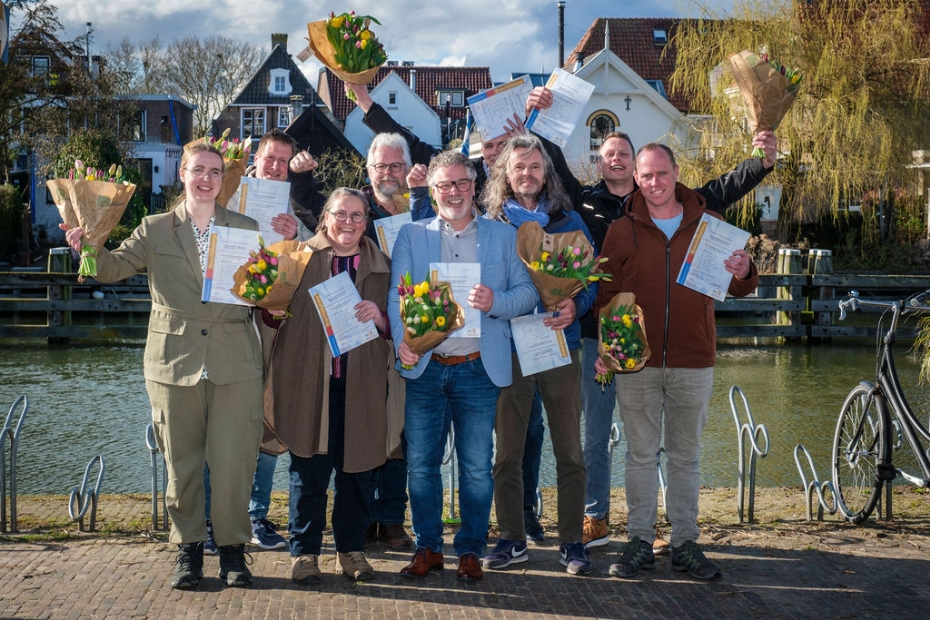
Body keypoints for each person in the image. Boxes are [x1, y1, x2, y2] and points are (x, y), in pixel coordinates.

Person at [524, 86, 779, 549]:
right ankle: (598, 518)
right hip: (599, 340)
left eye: (625, 154)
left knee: (671, 450)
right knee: (598, 436)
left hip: (677, 350)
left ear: (665, 172)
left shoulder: (692, 210)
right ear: (600, 163)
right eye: (610, 155)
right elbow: (552, 161)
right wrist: (537, 119)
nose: (618, 161)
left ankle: (674, 534)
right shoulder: (586, 204)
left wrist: (760, 162)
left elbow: (727, 187)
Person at [60, 143, 264, 589]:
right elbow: (111, 269)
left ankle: (233, 553)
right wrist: (88, 248)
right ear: (183, 175)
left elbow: (263, 290)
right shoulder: (154, 229)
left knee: (233, 464)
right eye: (197, 170)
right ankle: (188, 551)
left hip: (235, 361)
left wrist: (272, 287)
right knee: (182, 464)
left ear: (222, 177)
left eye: (214, 171)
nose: (206, 179)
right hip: (173, 362)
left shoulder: (247, 229)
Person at [593, 143, 759, 581]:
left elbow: (739, 286)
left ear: (676, 172)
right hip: (636, 363)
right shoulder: (621, 230)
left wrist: (744, 270)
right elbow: (606, 297)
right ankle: (640, 541)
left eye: (661, 174)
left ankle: (686, 541)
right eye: (645, 177)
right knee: (640, 455)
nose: (654, 184)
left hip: (693, 357)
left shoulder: (711, 225)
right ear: (637, 179)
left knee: (687, 457)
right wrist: (608, 349)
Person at [389, 150, 538, 582]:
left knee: (476, 468)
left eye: (461, 183)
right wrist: (403, 344)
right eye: (444, 185)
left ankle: (470, 548)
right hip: (426, 367)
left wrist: (496, 303)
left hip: (478, 367)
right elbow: (396, 298)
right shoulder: (410, 236)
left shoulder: (501, 236)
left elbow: (527, 294)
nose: (454, 192)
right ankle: (428, 547)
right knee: (421, 467)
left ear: (474, 187)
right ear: (431, 191)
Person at [203, 128, 325, 555]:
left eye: (282, 161)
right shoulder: (228, 192)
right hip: (228, 320)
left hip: (276, 325)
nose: (275, 167)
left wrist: (298, 236)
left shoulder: (297, 203)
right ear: (257, 156)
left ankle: (255, 515)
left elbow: (319, 253)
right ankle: (213, 516)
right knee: (225, 420)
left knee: (270, 416)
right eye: (270, 158)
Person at [479, 133, 596, 575]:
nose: (526, 174)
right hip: (508, 346)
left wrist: (576, 305)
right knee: (506, 452)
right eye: (518, 167)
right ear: (505, 175)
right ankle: (511, 538)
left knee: (569, 449)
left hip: (560, 345)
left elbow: (593, 280)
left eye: (534, 167)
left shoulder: (569, 222)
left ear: (546, 172)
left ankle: (572, 542)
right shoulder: (491, 225)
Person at [263, 188, 393, 583]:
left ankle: (350, 551)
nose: (348, 223)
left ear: (366, 221)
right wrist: (270, 308)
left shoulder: (383, 266)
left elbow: (400, 326)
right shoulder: (298, 259)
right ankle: (303, 553)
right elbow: (273, 320)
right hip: (311, 383)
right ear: (325, 217)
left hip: (362, 385)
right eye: (341, 214)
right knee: (309, 472)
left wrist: (382, 318)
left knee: (358, 472)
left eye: (357, 215)